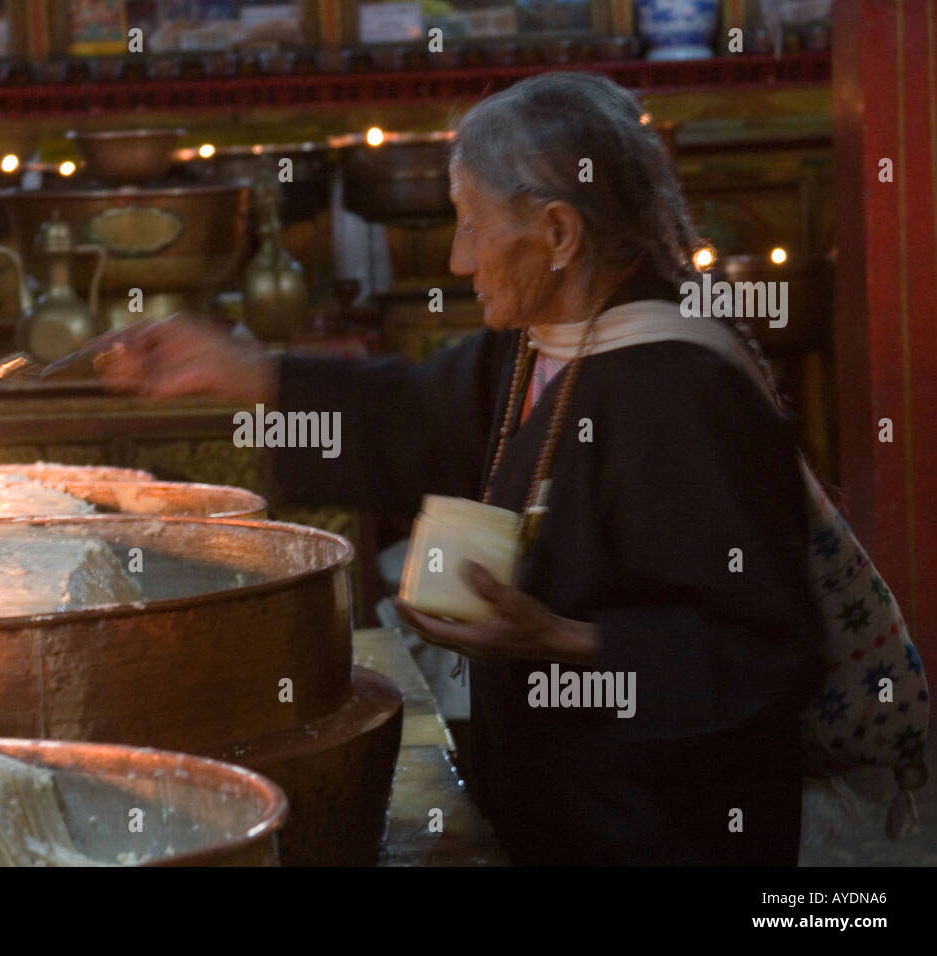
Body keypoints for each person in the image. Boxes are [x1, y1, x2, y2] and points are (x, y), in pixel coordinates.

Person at [90, 72, 824, 865]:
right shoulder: (541, 342)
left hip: (671, 827)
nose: (456, 256)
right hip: (555, 796)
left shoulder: (684, 391)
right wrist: (247, 372)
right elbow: (414, 416)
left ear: (558, 232)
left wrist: (566, 640)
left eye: (471, 224)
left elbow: (765, 655)